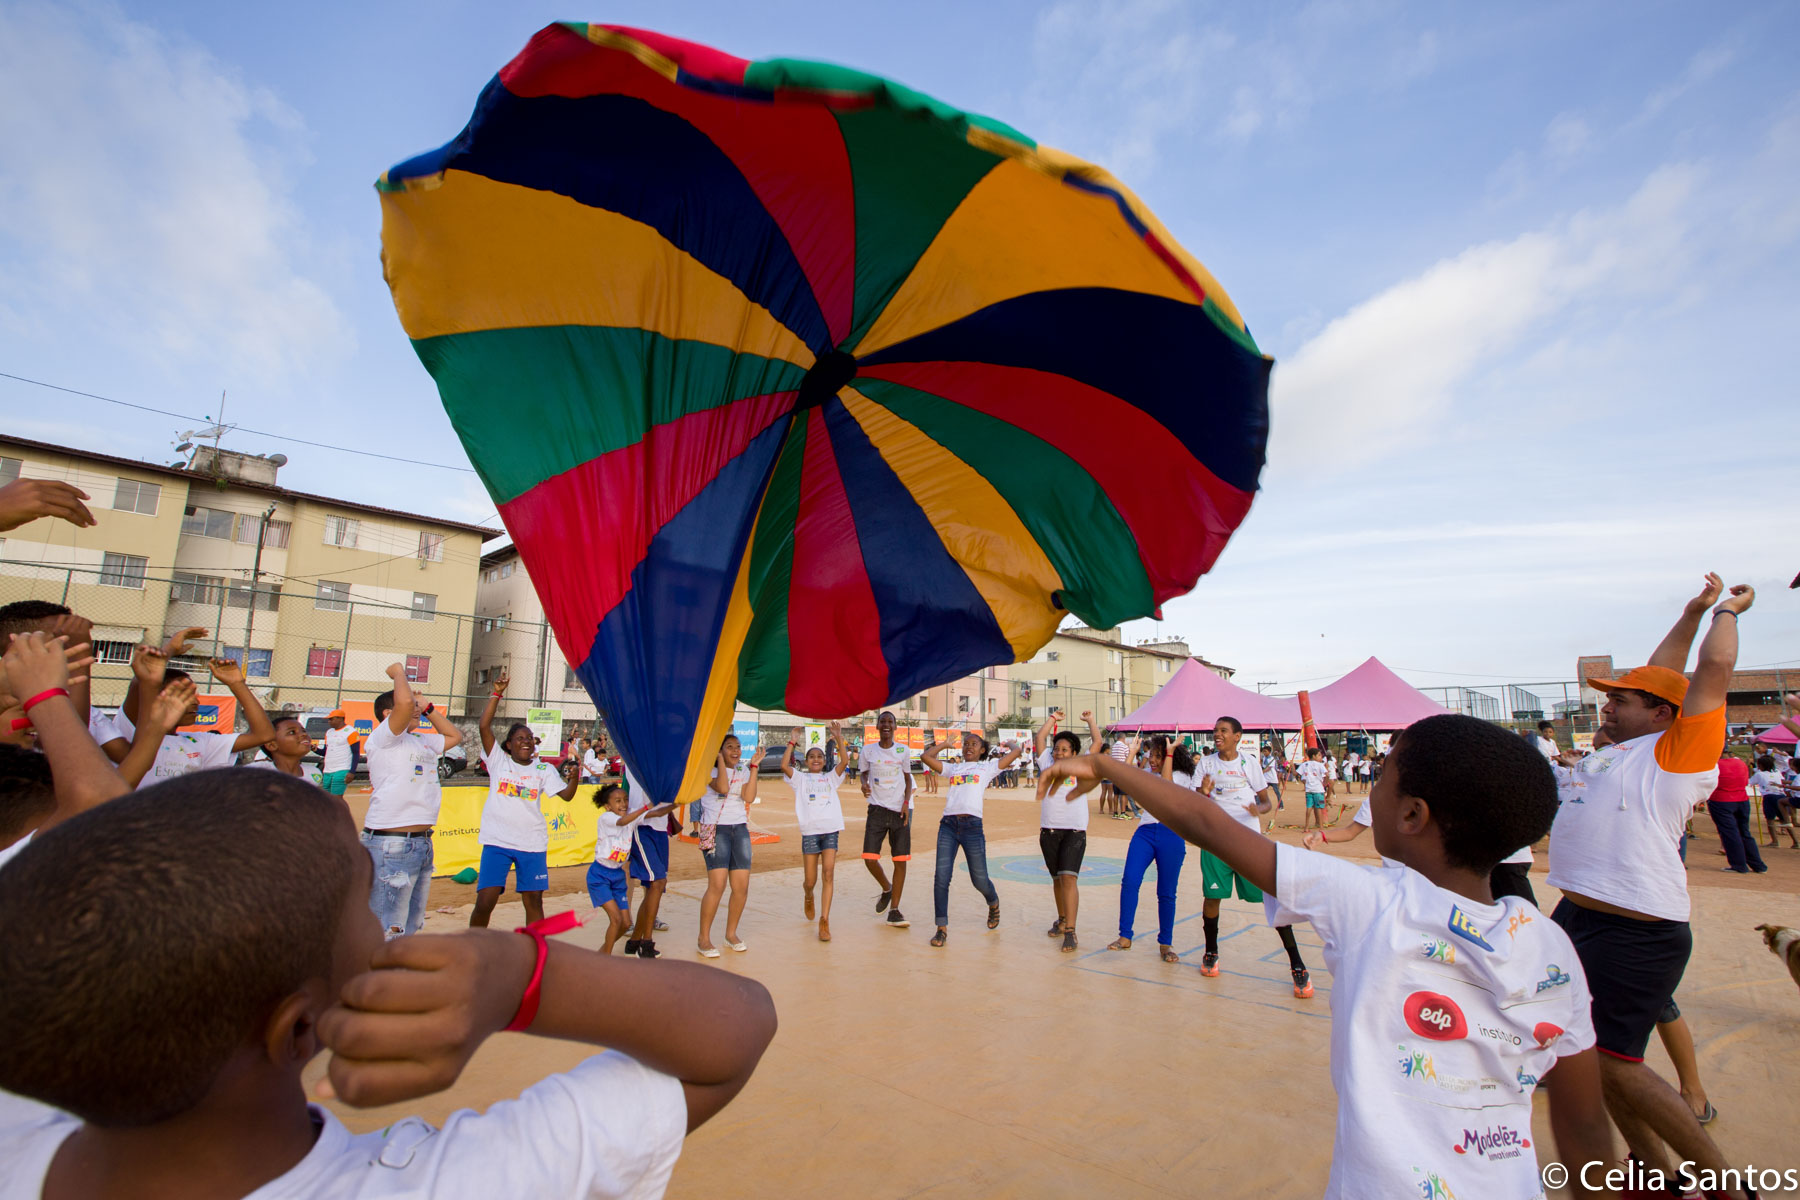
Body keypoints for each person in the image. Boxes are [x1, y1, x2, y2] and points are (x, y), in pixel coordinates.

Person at [0, 770, 778, 1199]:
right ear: (303, 1028)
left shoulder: (17, 1129)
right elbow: (736, 1029)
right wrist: (521, 976)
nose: (387, 926)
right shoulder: (458, 1185)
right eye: (363, 901)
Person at [1040, 714, 1615, 1199]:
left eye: (1382, 776)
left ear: (1412, 816)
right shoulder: (1550, 944)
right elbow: (1586, 1122)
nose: (1372, 790)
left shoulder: (1373, 903)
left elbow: (1205, 822)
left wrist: (1107, 765)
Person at [1545, 573, 1756, 1191]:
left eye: (1621, 699)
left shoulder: (1678, 753)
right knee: (1585, 1060)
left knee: (1615, 1062)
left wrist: (1727, 611)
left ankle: (1722, 1182)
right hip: (1577, 919)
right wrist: (1690, 611)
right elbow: (1661, 673)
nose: (1607, 704)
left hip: (1635, 931)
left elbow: (1709, 670)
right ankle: (1651, 1176)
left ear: (1664, 715)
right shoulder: (1619, 747)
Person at [1198, 717, 1312, 997]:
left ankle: (1297, 964)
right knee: (1212, 897)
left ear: (1238, 736)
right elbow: (1195, 803)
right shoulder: (1206, 764)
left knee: (1271, 895)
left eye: (1223, 731)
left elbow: (1266, 800)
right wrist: (1203, 793)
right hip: (1215, 840)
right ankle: (1210, 952)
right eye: (1215, 730)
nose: (1217, 734)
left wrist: (1256, 810)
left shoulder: (1249, 763)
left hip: (1248, 840)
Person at [362, 661, 465, 939]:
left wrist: (428, 706)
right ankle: (379, 978)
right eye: (412, 708)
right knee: (390, 925)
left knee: (412, 924)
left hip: (419, 842)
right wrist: (398, 673)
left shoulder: (420, 740)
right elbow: (405, 702)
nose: (416, 709)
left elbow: (455, 735)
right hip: (391, 842)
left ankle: (398, 974)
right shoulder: (384, 739)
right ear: (389, 713)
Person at [472, 674, 579, 929]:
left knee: (533, 901)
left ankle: (535, 949)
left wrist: (576, 777)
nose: (526, 742)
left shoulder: (543, 769)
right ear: (508, 745)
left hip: (531, 843)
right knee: (486, 899)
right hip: (497, 841)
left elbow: (566, 796)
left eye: (530, 738)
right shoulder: (499, 762)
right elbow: (484, 727)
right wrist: (496, 693)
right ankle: (474, 945)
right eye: (520, 738)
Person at [921, 730, 1019, 947]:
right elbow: (926, 758)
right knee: (941, 877)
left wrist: (1011, 743)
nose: (968, 747)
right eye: (966, 744)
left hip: (972, 828)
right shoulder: (954, 768)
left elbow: (1017, 752)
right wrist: (944, 745)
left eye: (974, 744)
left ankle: (993, 902)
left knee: (979, 879)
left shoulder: (987, 767)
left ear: (982, 750)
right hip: (948, 826)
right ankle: (941, 928)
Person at [1109, 735, 1189, 963]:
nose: (1151, 759)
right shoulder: (1147, 774)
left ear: (1168, 756)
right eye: (1150, 755)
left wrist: (1170, 753)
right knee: (1130, 880)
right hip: (1145, 832)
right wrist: (1132, 753)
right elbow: (1123, 779)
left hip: (1171, 835)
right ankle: (1125, 936)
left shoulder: (1182, 777)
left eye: (1156, 756)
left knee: (1166, 893)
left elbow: (1165, 790)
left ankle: (1166, 944)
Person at [1038, 710, 1102, 953]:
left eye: (1064, 749)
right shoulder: (1046, 763)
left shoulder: (1081, 765)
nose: (1059, 753)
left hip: (1074, 831)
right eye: (1057, 749)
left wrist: (1090, 721)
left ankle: (1071, 931)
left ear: (1074, 753)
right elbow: (1040, 737)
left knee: (1068, 878)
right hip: (1049, 831)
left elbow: (1096, 743)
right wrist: (1052, 719)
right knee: (1057, 880)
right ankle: (1062, 918)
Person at [589, 782, 673, 956]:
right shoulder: (607, 818)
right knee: (616, 919)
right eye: (618, 801)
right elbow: (623, 821)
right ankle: (605, 958)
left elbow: (656, 813)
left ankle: (601, 953)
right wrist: (645, 807)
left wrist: (676, 804)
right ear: (607, 806)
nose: (623, 804)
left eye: (626, 800)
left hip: (617, 877)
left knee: (626, 924)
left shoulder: (632, 816)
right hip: (600, 876)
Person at [784, 721, 848, 942]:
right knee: (810, 880)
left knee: (828, 873)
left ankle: (824, 920)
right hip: (810, 832)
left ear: (824, 760)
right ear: (806, 760)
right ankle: (808, 895)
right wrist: (792, 741)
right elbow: (784, 766)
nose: (816, 760)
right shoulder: (800, 779)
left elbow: (845, 761)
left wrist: (838, 737)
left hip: (830, 830)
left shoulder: (831, 777)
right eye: (811, 756)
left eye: (819, 757)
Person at [697, 733, 758, 957]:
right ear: (719, 750)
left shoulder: (742, 770)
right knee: (718, 884)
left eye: (738, 747)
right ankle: (703, 938)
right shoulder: (708, 771)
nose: (735, 751)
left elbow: (748, 797)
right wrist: (720, 760)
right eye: (729, 747)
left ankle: (730, 934)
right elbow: (722, 787)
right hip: (716, 829)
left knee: (741, 887)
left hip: (739, 829)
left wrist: (754, 768)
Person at [858, 710, 913, 929]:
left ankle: (895, 910)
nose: (887, 725)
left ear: (896, 727)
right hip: (877, 810)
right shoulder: (868, 750)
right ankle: (887, 888)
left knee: (900, 860)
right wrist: (864, 782)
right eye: (883, 721)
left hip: (899, 810)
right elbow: (864, 772)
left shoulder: (903, 750)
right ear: (878, 726)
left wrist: (907, 803)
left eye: (890, 721)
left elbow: (908, 780)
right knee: (869, 858)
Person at [625, 762, 677, 959]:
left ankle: (634, 942)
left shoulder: (666, 760)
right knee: (657, 882)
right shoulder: (638, 756)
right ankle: (646, 943)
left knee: (655, 887)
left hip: (659, 827)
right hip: (642, 825)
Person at [1712, 754, 1770, 871]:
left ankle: (1738, 864)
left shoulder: (1715, 765)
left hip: (1722, 800)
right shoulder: (1740, 763)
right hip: (1742, 799)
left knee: (1730, 833)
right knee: (1744, 832)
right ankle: (1757, 864)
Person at [248, 716, 329, 787]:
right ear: (272, 745)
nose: (303, 734)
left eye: (303, 731)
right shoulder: (257, 772)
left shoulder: (313, 773)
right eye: (292, 732)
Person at [1751, 752, 1798, 849]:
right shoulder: (1777, 772)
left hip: (1769, 797)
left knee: (1770, 819)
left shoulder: (1759, 774)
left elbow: (1750, 782)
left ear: (1761, 765)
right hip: (1781, 795)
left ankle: (1775, 841)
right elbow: (1781, 781)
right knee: (1784, 820)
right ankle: (1796, 842)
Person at [319, 708, 356, 796]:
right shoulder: (329, 732)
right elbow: (325, 752)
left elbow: (356, 753)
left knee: (336, 798)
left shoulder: (351, 732)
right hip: (327, 770)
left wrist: (352, 772)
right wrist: (314, 749)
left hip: (341, 769)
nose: (329, 721)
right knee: (327, 798)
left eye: (331, 719)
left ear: (340, 719)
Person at [1295, 744, 1332, 831]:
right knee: (1319, 808)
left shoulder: (1304, 764)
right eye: (1319, 755)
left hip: (1308, 789)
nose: (1320, 757)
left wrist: (1292, 765)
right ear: (1314, 756)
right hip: (1318, 789)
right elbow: (1327, 775)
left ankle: (1306, 827)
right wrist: (1325, 782)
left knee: (1309, 808)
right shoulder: (1320, 765)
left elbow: (1296, 774)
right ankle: (1321, 827)